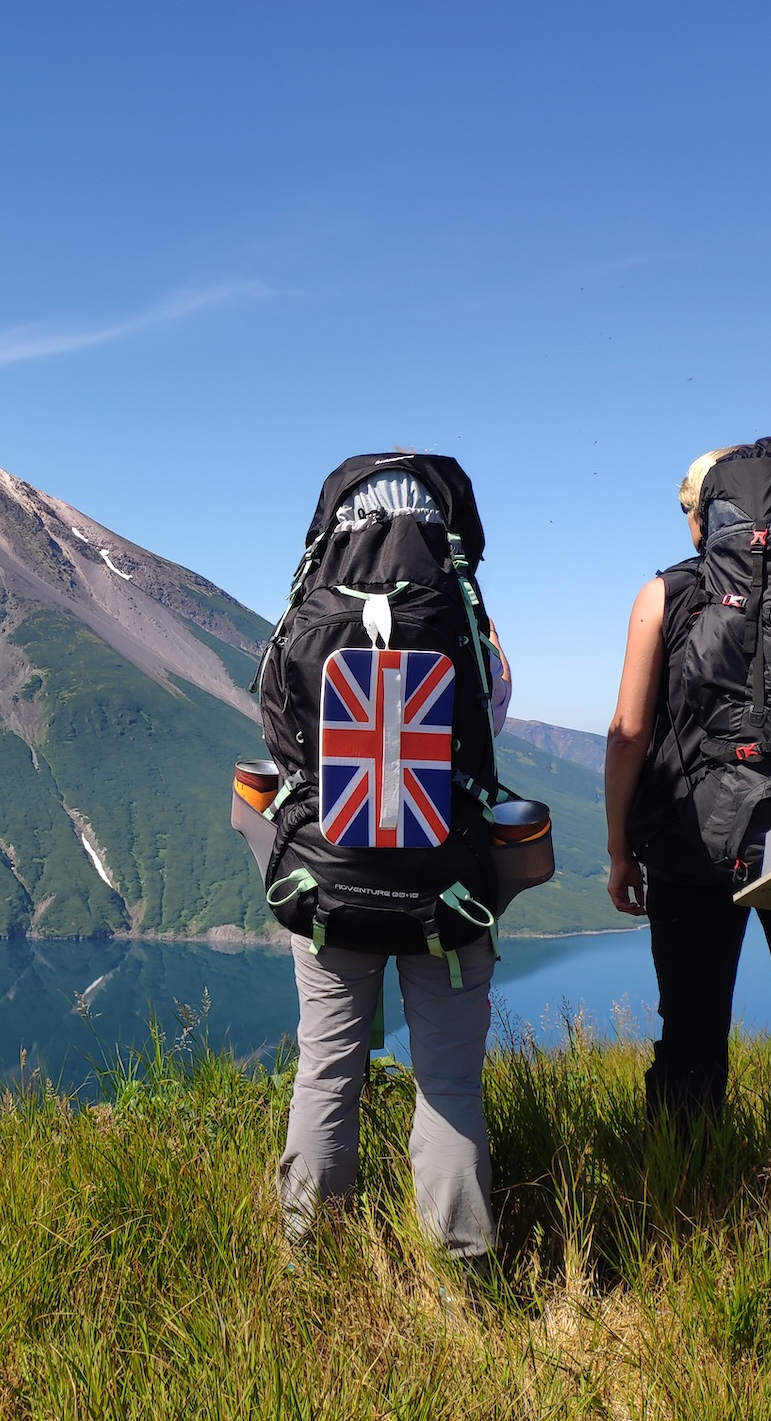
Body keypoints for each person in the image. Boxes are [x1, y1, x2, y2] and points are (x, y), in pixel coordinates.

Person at [603, 448, 771, 1137]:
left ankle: (687, 1182)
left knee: (692, 1026)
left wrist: (617, 849)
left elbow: (628, 732)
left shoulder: (665, 594)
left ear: (703, 517)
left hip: (692, 841)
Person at [273, 470, 513, 1259]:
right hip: (444, 893)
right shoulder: (461, 612)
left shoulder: (311, 607)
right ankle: (460, 1286)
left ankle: (310, 1267)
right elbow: (492, 715)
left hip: (327, 881)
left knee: (325, 1075)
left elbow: (280, 733)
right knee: (447, 1086)